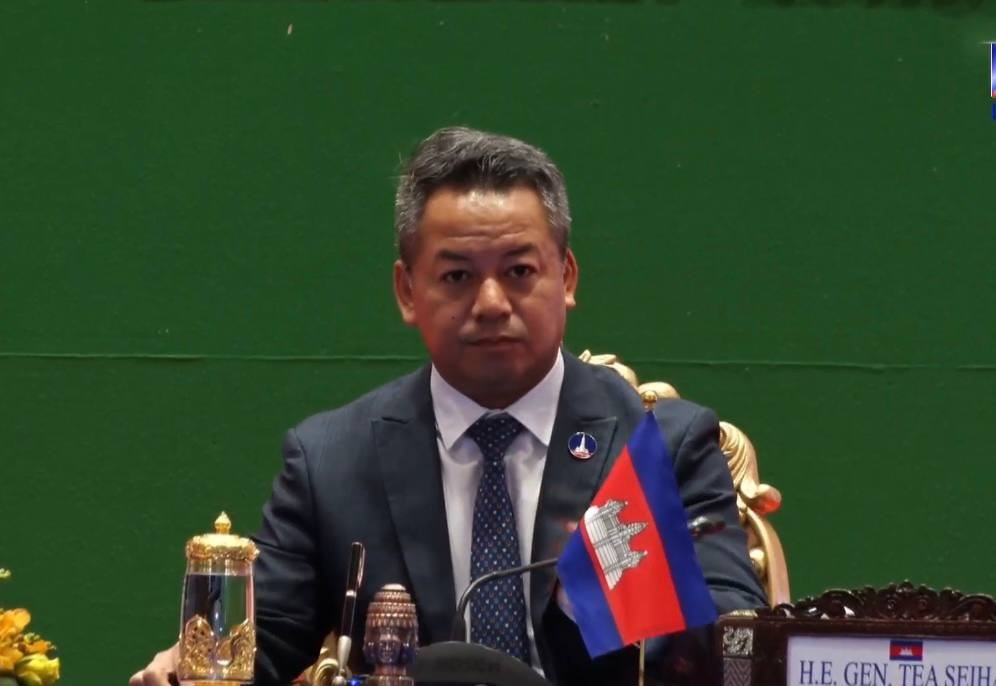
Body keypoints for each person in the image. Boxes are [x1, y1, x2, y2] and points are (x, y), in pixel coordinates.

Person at [130, 127, 766, 686]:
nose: (490, 303)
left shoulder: (658, 446)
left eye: (519, 271)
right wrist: (192, 666)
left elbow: (740, 649)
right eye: (457, 276)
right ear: (408, 291)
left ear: (567, 278)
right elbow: (259, 645)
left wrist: (613, 587)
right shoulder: (332, 461)